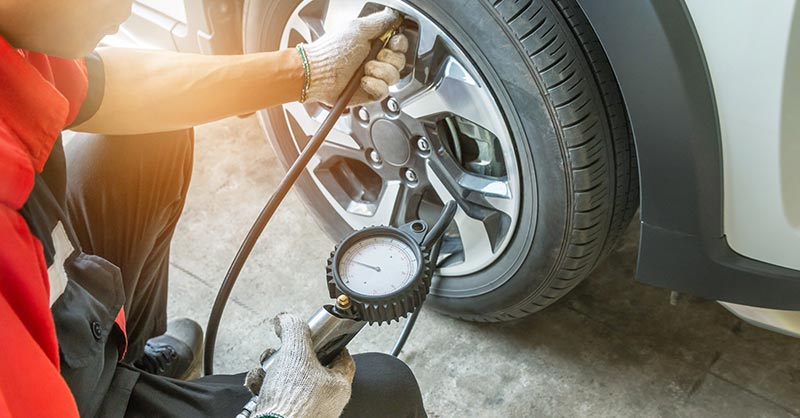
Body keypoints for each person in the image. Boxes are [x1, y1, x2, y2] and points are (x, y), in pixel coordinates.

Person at [0, 0, 427, 416]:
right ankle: (120, 395)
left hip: (62, 330)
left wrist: (311, 70)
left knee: (149, 137)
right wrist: (280, 414)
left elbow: (99, 85)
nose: (125, 9)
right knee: (388, 391)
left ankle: (127, 363)